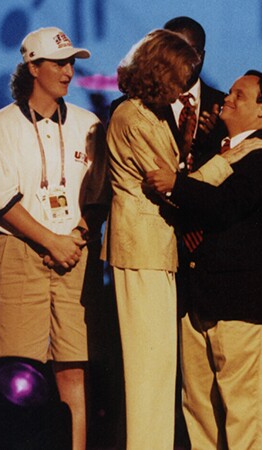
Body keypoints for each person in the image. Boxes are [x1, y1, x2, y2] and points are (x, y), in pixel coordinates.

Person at [0, 27, 109, 450]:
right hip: (21, 251)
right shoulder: (3, 124)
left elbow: (99, 195)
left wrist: (75, 236)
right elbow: (2, 199)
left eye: (72, 62)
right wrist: (51, 242)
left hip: (76, 252)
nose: (69, 71)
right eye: (59, 62)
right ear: (33, 67)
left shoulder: (88, 124)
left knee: (73, 367)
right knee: (16, 371)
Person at [103, 29, 210, 449]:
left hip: (155, 249)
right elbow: (167, 182)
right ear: (161, 71)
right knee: (148, 366)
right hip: (141, 247)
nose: (185, 87)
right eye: (181, 76)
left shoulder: (146, 115)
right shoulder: (133, 117)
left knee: (160, 364)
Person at [175, 70, 262, 450]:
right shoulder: (210, 151)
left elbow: (224, 206)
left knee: (244, 419)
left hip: (240, 307)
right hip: (197, 301)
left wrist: (176, 188)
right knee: (199, 413)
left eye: (241, 94)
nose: (229, 97)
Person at [110, 17, 228, 171]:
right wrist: (226, 161)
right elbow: (164, 182)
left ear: (202, 56)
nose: (186, 60)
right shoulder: (134, 111)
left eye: (192, 52)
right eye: (178, 52)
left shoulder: (224, 106)